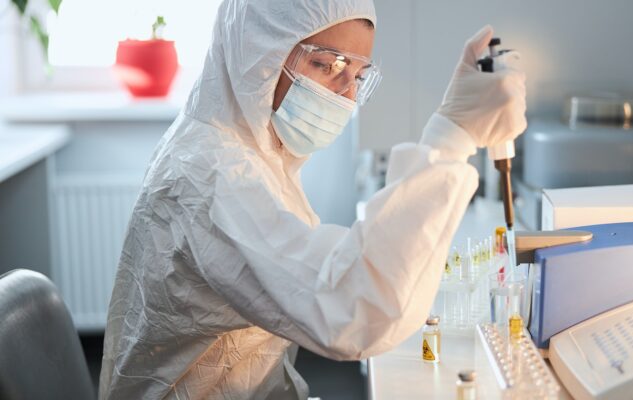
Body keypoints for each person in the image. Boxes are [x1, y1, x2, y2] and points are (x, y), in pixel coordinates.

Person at [99, 0, 526, 398]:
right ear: (257, 55)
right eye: (326, 64)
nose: (347, 96)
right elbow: (354, 314)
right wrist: (451, 137)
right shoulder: (214, 175)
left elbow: (316, 270)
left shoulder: (244, 149)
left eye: (357, 75)